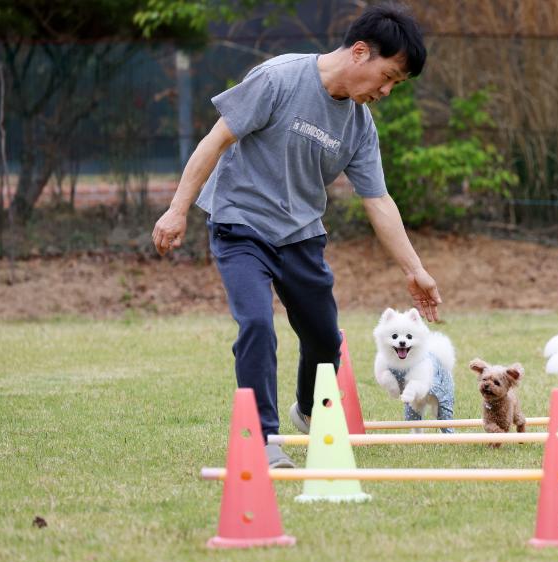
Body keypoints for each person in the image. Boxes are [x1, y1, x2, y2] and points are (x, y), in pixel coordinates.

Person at [151, 4, 441, 468]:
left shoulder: (359, 127)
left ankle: (307, 410)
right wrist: (177, 209)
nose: (386, 91)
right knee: (258, 326)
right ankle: (263, 439)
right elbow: (216, 139)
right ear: (361, 52)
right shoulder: (278, 78)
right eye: (387, 77)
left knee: (325, 339)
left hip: (301, 235)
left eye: (395, 85)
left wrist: (415, 270)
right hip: (240, 225)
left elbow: (379, 201)